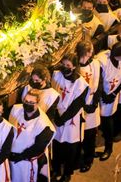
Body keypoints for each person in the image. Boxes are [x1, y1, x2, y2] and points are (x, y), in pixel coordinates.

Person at [51, 53, 89, 181]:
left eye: (68, 65)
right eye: (63, 64)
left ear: (73, 67)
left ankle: (67, 172)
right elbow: (52, 95)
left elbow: (77, 104)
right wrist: (56, 115)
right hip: (57, 115)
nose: (64, 67)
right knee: (56, 144)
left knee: (70, 146)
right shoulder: (56, 75)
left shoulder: (80, 83)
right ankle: (56, 169)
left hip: (71, 118)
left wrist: (63, 118)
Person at [8, 90, 55, 182]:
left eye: (31, 102)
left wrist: (20, 157)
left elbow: (38, 148)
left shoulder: (44, 124)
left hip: (27, 161)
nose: (27, 104)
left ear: (37, 103)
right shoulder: (16, 109)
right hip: (11, 158)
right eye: (25, 101)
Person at [76, 40, 103, 172]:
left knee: (90, 134)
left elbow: (99, 83)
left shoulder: (96, 64)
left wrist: (95, 102)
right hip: (78, 107)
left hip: (91, 103)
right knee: (77, 135)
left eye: (90, 53)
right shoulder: (75, 67)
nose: (89, 56)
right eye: (87, 53)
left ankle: (88, 158)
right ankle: (77, 159)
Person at [96, 42, 121, 161]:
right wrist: (103, 94)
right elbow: (98, 79)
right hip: (101, 93)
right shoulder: (103, 61)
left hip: (111, 95)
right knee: (97, 120)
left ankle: (108, 147)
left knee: (107, 120)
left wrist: (114, 94)